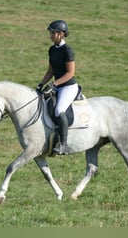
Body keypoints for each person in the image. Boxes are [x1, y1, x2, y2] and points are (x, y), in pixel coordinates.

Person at [36, 20, 79, 155]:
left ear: (61, 34)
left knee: (59, 110)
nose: (51, 35)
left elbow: (70, 73)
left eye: (53, 32)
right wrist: (41, 84)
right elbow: (50, 71)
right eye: (51, 32)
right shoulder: (52, 49)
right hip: (57, 86)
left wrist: (54, 84)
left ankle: (63, 144)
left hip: (68, 87)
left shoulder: (67, 50)